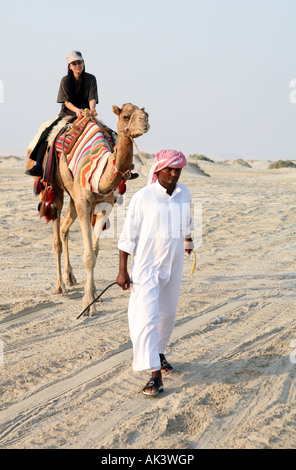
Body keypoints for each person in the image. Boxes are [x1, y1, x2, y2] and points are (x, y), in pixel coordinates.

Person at [116, 149, 194, 397]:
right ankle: (154, 376)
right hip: (146, 269)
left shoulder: (184, 194)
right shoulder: (143, 197)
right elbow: (127, 238)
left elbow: (188, 223)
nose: (174, 173)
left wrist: (189, 242)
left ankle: (158, 353)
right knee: (147, 319)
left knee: (167, 315)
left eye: (178, 168)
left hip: (174, 264)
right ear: (158, 170)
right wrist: (122, 271)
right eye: (169, 168)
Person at [26, 50, 98, 177]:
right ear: (70, 66)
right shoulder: (65, 80)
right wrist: (77, 111)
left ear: (84, 63)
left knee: (108, 134)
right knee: (47, 134)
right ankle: (38, 165)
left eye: (79, 62)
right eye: (74, 64)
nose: (77, 66)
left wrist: (91, 111)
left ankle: (122, 168)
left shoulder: (91, 78)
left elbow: (92, 98)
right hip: (67, 115)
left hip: (87, 115)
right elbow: (66, 102)